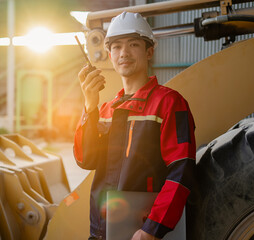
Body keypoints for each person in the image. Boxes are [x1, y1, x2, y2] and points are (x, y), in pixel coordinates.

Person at [73, 12, 196, 240]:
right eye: (117, 46)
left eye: (133, 44)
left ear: (149, 52)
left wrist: (152, 230)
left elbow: (182, 172)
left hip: (144, 233)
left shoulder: (169, 104)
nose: (124, 53)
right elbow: (84, 159)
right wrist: (89, 107)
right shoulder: (105, 110)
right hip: (101, 232)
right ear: (110, 55)